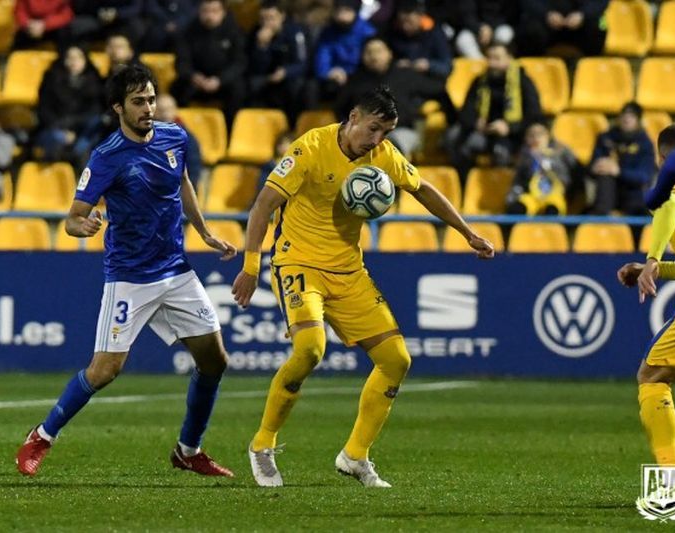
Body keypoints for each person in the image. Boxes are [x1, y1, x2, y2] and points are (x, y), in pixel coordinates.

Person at [231, 86, 494, 488]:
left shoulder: (382, 157)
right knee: (310, 350)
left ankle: (355, 456)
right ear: (353, 117)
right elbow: (263, 204)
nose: (378, 140)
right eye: (373, 129)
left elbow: (422, 189)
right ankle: (262, 445)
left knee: (396, 360)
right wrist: (250, 267)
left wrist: (466, 232)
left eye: (385, 133)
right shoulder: (310, 147)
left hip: (349, 271)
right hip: (298, 262)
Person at [16, 64, 237, 479]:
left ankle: (188, 450)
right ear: (119, 107)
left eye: (151, 99)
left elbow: (183, 182)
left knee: (215, 361)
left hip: (175, 270)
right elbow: (72, 218)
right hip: (130, 277)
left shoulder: (175, 136)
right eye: (138, 102)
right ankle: (42, 436)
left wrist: (204, 232)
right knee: (104, 371)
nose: (148, 108)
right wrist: (84, 226)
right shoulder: (106, 157)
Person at [617, 123, 675, 474]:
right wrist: (654, 269)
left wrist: (652, 258)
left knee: (652, 378)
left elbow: (665, 208)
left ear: (662, 157)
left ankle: (669, 478)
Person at [447, 41, 542, 180]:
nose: (492, 63)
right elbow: (466, 112)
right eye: (489, 58)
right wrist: (476, 123)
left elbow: (534, 116)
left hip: (513, 136)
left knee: (501, 151)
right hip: (483, 133)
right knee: (454, 138)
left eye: (497, 58)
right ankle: (464, 184)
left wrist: (509, 127)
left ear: (509, 58)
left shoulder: (523, 82)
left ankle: (498, 188)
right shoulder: (480, 81)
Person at [335, 37, 437, 159]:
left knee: (390, 146)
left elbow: (437, 89)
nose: (374, 56)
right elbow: (340, 110)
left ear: (389, 53)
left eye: (378, 51)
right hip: (364, 135)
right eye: (369, 52)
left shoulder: (405, 75)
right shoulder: (354, 81)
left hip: (401, 131)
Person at [171, 0, 247, 128]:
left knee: (239, 90)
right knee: (176, 88)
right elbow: (181, 62)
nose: (209, 16)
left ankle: (229, 132)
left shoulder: (235, 31)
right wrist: (193, 76)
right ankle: (180, 131)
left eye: (214, 11)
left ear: (223, 13)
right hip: (196, 81)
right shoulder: (188, 32)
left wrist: (220, 80)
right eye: (205, 11)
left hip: (223, 82)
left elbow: (239, 63)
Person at [35, 45, 104, 165]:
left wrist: (74, 131)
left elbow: (95, 112)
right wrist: (63, 130)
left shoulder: (95, 81)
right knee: (56, 138)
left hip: (83, 133)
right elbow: (44, 111)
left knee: (88, 143)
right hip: (55, 130)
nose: (74, 62)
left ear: (85, 60)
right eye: (70, 58)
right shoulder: (51, 80)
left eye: (78, 58)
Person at [246, 0, 310, 125]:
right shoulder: (255, 33)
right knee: (249, 86)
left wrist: (286, 72)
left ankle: (293, 127)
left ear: (282, 16)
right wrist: (262, 46)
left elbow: (303, 63)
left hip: (288, 78)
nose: (267, 23)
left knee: (296, 88)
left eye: (271, 18)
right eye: (263, 19)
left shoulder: (295, 32)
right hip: (266, 78)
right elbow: (254, 67)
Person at [588, 102, 654, 216]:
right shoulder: (605, 138)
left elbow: (644, 176)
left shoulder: (644, 143)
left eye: (631, 116)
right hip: (607, 191)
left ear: (638, 120)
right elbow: (592, 165)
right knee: (605, 177)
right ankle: (600, 221)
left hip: (632, 192)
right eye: (624, 114)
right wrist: (596, 167)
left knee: (638, 202)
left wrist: (618, 171)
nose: (626, 119)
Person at [506, 121, 582, 216]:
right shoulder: (524, 158)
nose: (535, 138)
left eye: (540, 134)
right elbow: (518, 181)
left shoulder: (561, 153)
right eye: (531, 135)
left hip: (554, 195)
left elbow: (575, 172)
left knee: (553, 209)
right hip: (531, 196)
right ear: (526, 139)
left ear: (548, 136)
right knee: (518, 208)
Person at [313, 0, 376, 103]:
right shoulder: (328, 32)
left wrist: (350, 73)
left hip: (360, 75)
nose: (341, 15)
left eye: (347, 10)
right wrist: (328, 72)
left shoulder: (368, 32)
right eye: (338, 10)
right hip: (335, 76)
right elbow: (322, 56)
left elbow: (369, 60)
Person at [516, 0, 608, 58]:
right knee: (530, 29)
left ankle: (590, 73)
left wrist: (583, 15)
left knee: (598, 27)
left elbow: (600, 2)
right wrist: (546, 14)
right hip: (545, 24)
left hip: (581, 25)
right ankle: (532, 72)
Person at [154, 93, 202, 188]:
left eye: (168, 109)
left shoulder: (187, 138)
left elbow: (193, 173)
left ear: (175, 111)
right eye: (160, 110)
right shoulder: (145, 136)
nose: (165, 114)